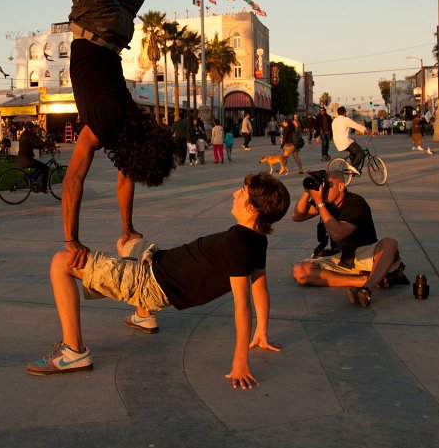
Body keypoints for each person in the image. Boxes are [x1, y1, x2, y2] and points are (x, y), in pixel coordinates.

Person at [64, 0, 225, 266]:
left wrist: (127, 227)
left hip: (116, 30)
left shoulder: (133, 120)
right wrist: (72, 239)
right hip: (97, 24)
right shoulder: (103, 128)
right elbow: (75, 179)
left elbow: (127, 177)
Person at [27, 173, 291, 388]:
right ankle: (143, 316)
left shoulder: (238, 246)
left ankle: (74, 352)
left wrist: (240, 361)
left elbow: (242, 304)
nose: (235, 194)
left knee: (61, 263)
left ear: (253, 208)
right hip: (156, 263)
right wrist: (262, 332)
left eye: (241, 193)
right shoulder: (256, 238)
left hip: (148, 283)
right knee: (127, 242)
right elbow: (261, 286)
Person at [290, 170, 406, 307]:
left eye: (328, 186)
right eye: (323, 186)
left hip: (365, 254)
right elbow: (297, 216)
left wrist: (320, 204)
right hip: (342, 258)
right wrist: (308, 190)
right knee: (300, 271)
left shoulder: (356, 203)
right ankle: (364, 280)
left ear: (341, 187)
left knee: (389, 243)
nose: (325, 190)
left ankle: (367, 288)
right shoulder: (325, 201)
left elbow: (337, 233)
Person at [331, 106, 369, 173]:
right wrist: (370, 132)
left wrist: (351, 138)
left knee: (353, 152)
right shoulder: (346, 119)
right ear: (344, 112)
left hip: (338, 143)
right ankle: (353, 166)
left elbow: (340, 132)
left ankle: (353, 170)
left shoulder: (334, 121)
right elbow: (358, 126)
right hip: (346, 142)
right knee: (361, 153)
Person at [18, 122, 51, 192]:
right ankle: (43, 188)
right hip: (26, 160)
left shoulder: (26, 134)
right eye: (33, 128)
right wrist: (47, 145)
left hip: (24, 158)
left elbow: (36, 144)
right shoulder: (28, 135)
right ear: (29, 128)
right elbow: (37, 142)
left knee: (41, 167)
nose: (34, 129)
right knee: (45, 168)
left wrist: (44, 146)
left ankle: (29, 179)